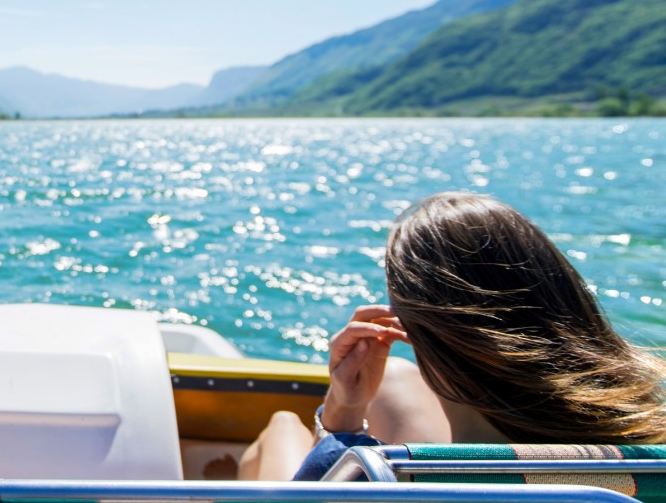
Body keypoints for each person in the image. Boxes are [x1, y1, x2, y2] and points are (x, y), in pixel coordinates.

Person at [239, 191, 666, 481]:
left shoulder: (366, 473)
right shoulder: (644, 458)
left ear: (420, 328)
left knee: (281, 429)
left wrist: (342, 420)